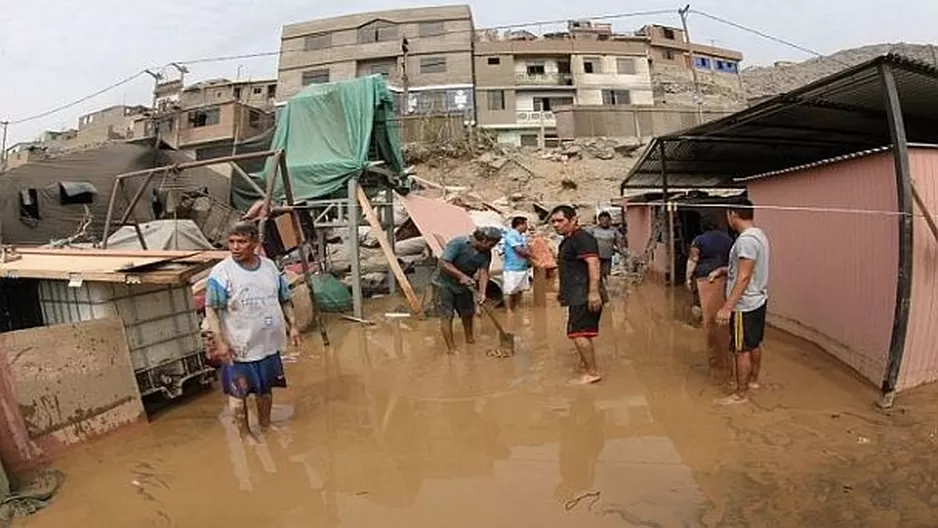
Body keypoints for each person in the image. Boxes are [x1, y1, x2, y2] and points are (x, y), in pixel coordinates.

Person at [204, 222, 301, 439]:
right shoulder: (221, 273)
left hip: (267, 344)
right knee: (238, 394)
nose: (236, 247)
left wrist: (292, 325)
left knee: (265, 391)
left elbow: (284, 298)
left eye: (242, 242)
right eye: (232, 242)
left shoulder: (269, 268)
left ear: (255, 244)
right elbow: (212, 310)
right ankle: (245, 434)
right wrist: (220, 342)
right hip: (238, 348)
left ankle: (265, 425)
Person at [711, 199, 770, 405]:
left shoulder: (745, 241)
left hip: (744, 304)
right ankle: (753, 381)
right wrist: (723, 270)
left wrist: (727, 307)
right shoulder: (759, 235)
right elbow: (747, 269)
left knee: (740, 348)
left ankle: (740, 394)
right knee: (754, 343)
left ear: (732, 214)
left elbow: (744, 277)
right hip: (758, 299)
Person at [550, 205, 607, 385]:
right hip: (577, 293)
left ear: (574, 220)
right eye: (553, 221)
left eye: (560, 221)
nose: (555, 225)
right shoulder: (569, 240)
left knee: (577, 333)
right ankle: (585, 365)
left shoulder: (581, 238)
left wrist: (593, 292)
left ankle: (592, 373)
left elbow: (593, 263)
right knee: (584, 331)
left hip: (584, 293)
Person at [434, 227, 502, 353]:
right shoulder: (458, 243)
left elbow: (483, 272)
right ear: (483, 240)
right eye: (490, 244)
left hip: (466, 285)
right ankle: (451, 349)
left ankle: (470, 340)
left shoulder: (486, 253)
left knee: (468, 313)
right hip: (444, 283)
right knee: (447, 315)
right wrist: (461, 276)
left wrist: (482, 292)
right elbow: (443, 263)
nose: (491, 248)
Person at [685, 216, 734, 379]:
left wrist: (687, 277)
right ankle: (727, 358)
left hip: (706, 279)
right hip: (725, 278)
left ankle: (716, 363)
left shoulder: (699, 240)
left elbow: (693, 260)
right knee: (724, 319)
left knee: (710, 320)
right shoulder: (728, 239)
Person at [501, 216, 532, 317]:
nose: (527, 227)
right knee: (509, 290)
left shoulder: (522, 236)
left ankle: (517, 307)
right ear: (521, 225)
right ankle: (509, 310)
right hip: (512, 268)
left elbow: (526, 249)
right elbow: (519, 250)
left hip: (522, 267)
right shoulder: (511, 235)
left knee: (519, 289)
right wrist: (533, 256)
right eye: (526, 224)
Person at [590, 211, 626, 279]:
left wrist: (622, 252)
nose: (604, 222)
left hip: (607, 257)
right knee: (596, 275)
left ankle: (605, 288)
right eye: (602, 220)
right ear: (599, 220)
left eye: (606, 220)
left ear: (609, 220)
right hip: (596, 257)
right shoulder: (593, 230)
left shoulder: (614, 230)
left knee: (606, 276)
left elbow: (619, 242)